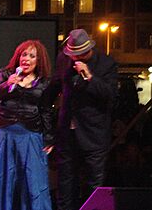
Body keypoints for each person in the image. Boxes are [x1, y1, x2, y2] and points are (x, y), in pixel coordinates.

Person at [0, 40, 54, 210]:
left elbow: (46, 110)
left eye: (32, 56)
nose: (26, 59)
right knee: (2, 178)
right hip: (3, 133)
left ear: (39, 61)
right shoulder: (6, 74)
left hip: (29, 135)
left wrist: (48, 138)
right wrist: (8, 84)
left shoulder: (44, 82)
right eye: (24, 55)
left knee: (32, 180)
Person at [49, 29, 119, 210]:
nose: (74, 58)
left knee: (93, 184)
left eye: (78, 54)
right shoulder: (64, 60)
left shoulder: (106, 64)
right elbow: (54, 87)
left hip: (94, 135)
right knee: (65, 184)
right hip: (67, 133)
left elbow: (110, 96)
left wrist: (89, 77)